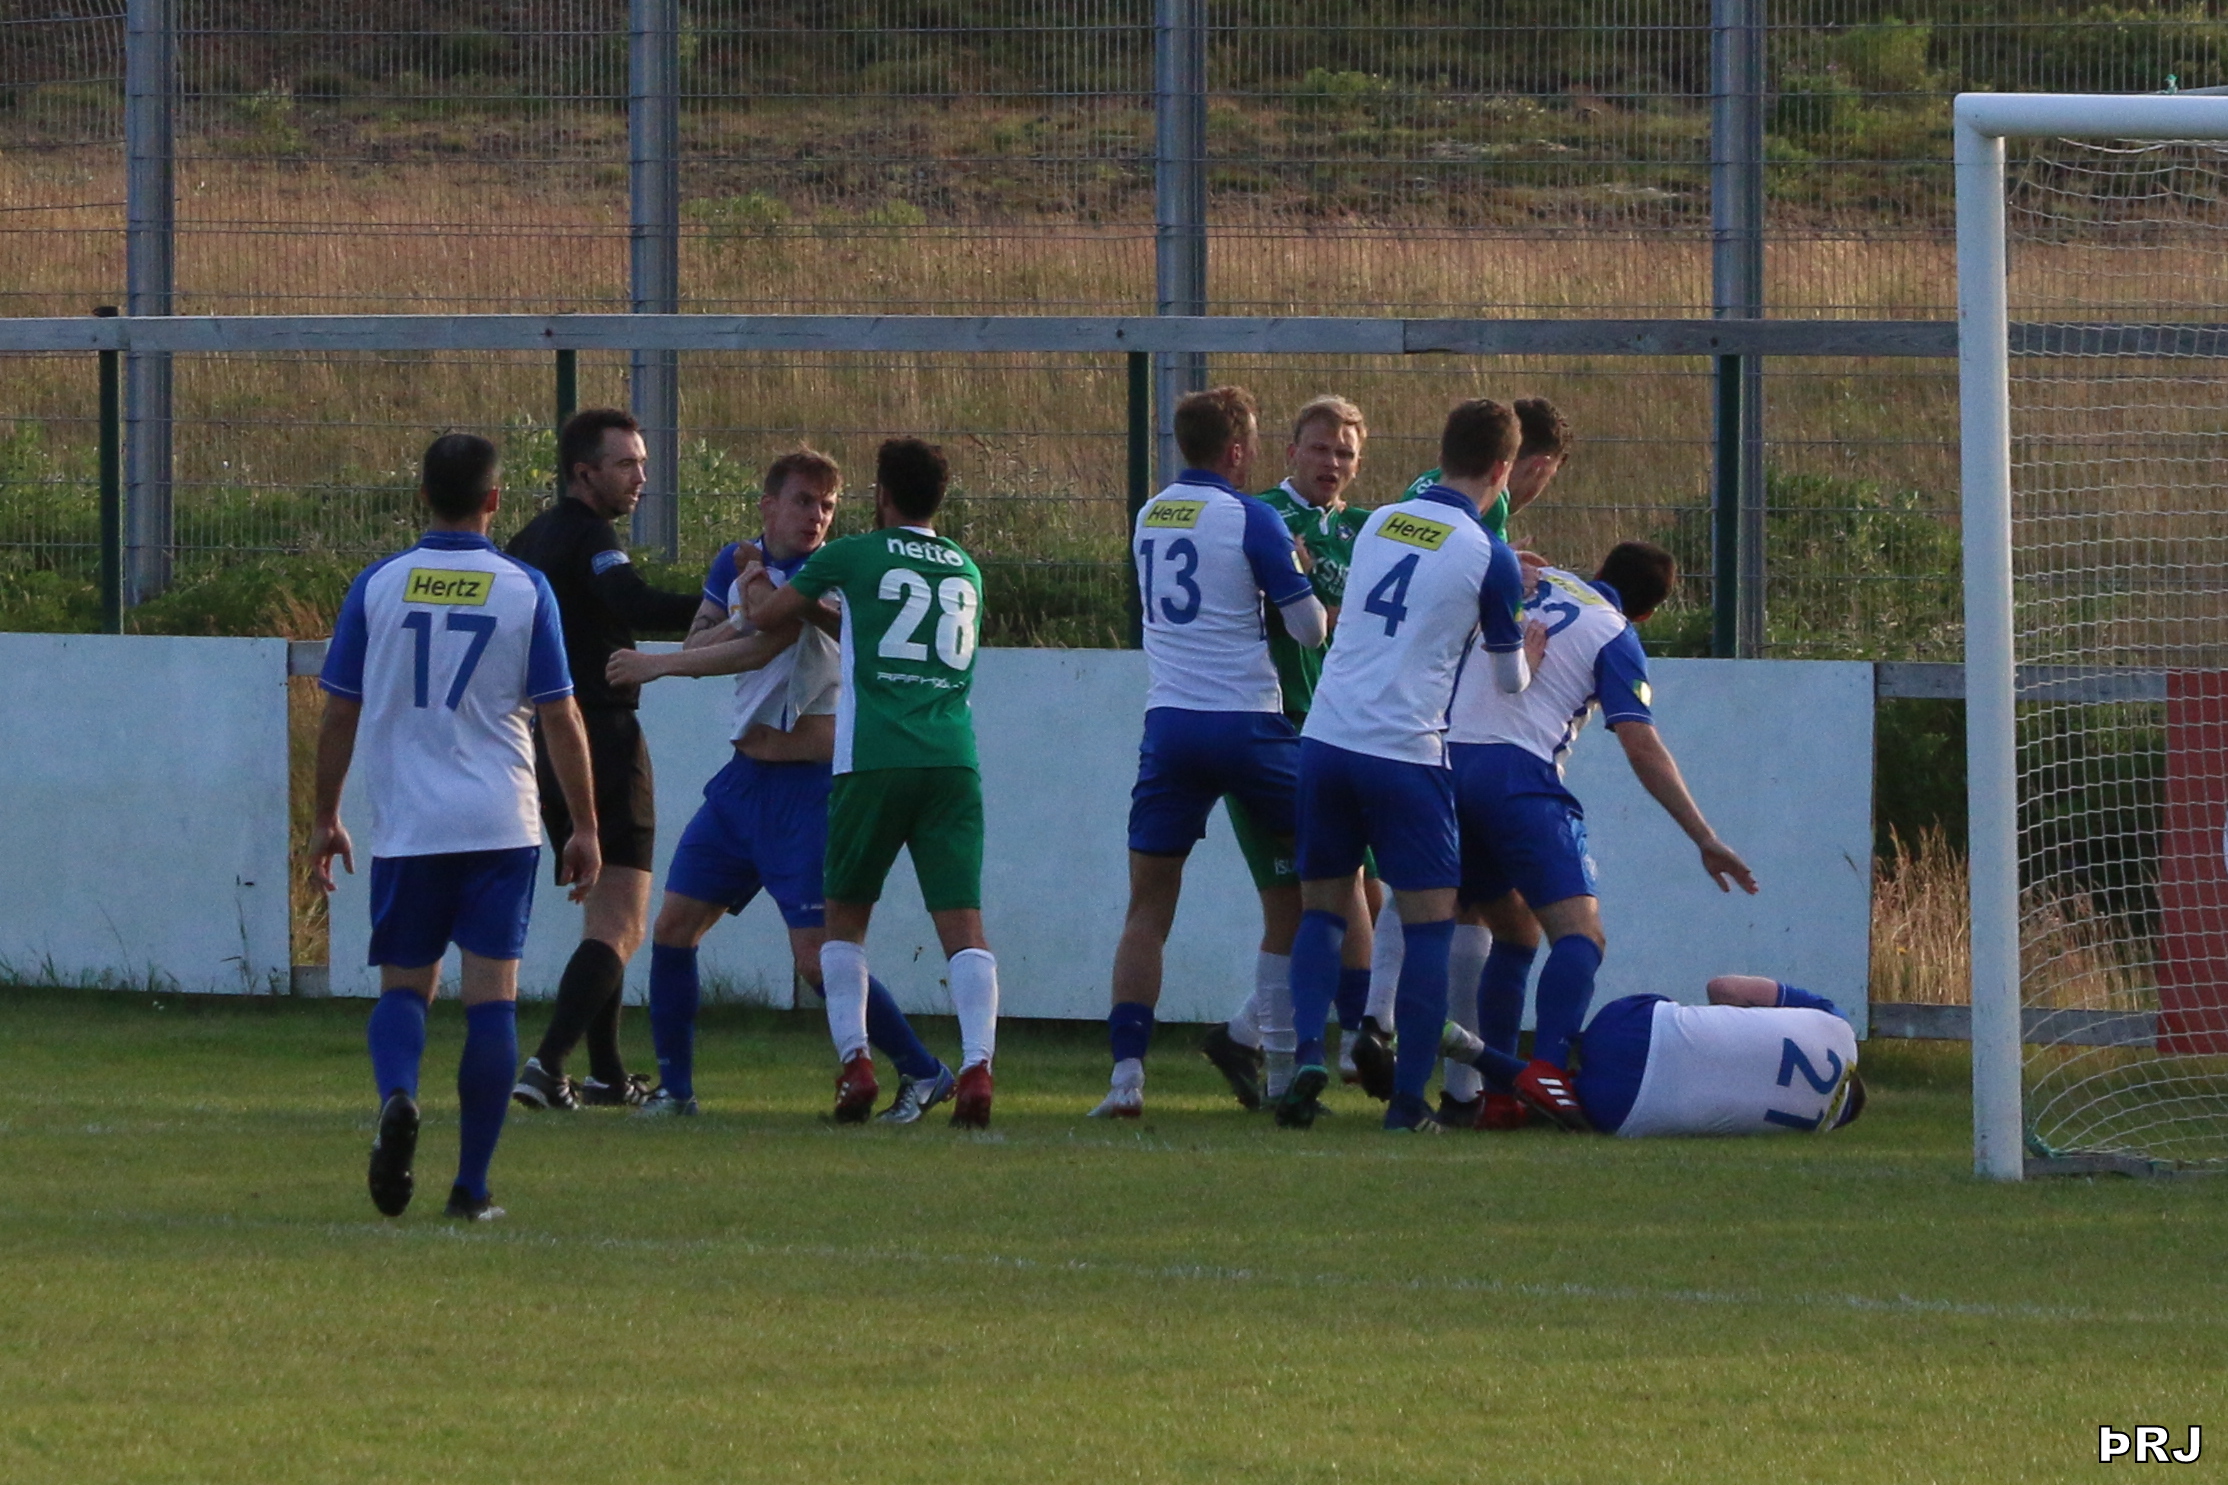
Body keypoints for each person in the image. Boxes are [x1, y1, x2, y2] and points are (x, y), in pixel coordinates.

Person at [609, 448, 957, 1123]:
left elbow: (760, 645)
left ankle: (923, 1068)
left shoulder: (829, 575)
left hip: (807, 789)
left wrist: (661, 664)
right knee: (675, 926)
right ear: (768, 504)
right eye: (803, 501)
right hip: (743, 783)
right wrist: (736, 608)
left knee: (817, 959)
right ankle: (676, 1091)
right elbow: (707, 635)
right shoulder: (736, 561)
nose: (816, 516)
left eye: (827, 506)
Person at [309, 433, 601, 1221]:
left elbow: (340, 711)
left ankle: (399, 1094)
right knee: (490, 1002)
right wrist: (584, 825)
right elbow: (561, 716)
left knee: (406, 988)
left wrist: (326, 815)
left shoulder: (378, 585)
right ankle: (470, 1188)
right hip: (500, 820)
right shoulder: (525, 587)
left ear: (422, 496)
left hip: (411, 823)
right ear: (494, 500)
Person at [1278, 399, 1540, 1133]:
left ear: (1442, 452)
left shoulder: (1382, 521)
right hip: (1405, 751)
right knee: (1429, 928)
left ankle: (1306, 1055)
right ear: (1502, 469)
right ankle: (1405, 1105)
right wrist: (1524, 638)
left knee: (1322, 911)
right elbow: (1509, 680)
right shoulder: (1489, 553)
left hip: (1327, 738)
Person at [1439, 541, 1757, 1131]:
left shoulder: (1536, 578)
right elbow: (1640, 744)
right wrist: (1704, 836)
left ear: (1600, 569)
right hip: (1516, 775)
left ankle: (1499, 1095)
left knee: (1514, 929)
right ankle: (1547, 1072)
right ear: (1649, 613)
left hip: (1443, 762)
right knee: (1580, 935)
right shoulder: (1616, 633)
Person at [740, 438, 1001, 1128]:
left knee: (844, 923)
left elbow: (767, 617)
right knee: (964, 925)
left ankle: (856, 1063)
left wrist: (751, 576)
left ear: (880, 494)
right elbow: (878, 627)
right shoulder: (966, 567)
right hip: (953, 760)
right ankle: (978, 1068)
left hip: (873, 759)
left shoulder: (854, 555)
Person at [1088, 386, 1327, 1120]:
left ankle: (1126, 1079)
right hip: (1248, 725)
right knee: (1327, 880)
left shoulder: (1149, 514)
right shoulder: (1252, 516)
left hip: (1170, 725)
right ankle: (1317, 1056)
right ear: (1237, 450)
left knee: (1147, 909)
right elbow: (1309, 629)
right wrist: (1296, 571)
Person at [1362, 398, 1576, 1099]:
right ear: (1526, 465)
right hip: (1435, 722)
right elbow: (1502, 658)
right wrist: (1516, 611)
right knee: (1470, 906)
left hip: (1360, 705)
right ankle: (1454, 1085)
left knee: (1406, 889)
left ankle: (1372, 1021)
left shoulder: (1415, 497)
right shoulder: (1491, 513)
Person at [504, 408, 703, 1112]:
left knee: (603, 918)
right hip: (601, 737)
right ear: (583, 472)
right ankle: (547, 1064)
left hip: (544, 740)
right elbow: (634, 601)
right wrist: (728, 601)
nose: (640, 476)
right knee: (622, 920)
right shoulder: (590, 535)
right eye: (625, 464)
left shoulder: (529, 538)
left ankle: (608, 1075)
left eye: (642, 462)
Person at [1214, 394, 1382, 1106]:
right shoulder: (1262, 519)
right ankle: (1338, 1050)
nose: (1332, 463)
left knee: (1364, 894)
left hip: (1340, 730)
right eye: (1320, 448)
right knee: (1303, 903)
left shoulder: (1364, 530)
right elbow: (1288, 617)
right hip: (1273, 728)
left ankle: (1248, 1036)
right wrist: (1338, 611)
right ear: (1291, 452)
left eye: (1345, 453)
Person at [1440, 975, 1864, 1137]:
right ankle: (1471, 1049)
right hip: (1624, 1109)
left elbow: (1723, 988)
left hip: (1634, 1027)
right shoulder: (1813, 1129)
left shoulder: (1839, 1026)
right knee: (1569, 1095)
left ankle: (1554, 1052)